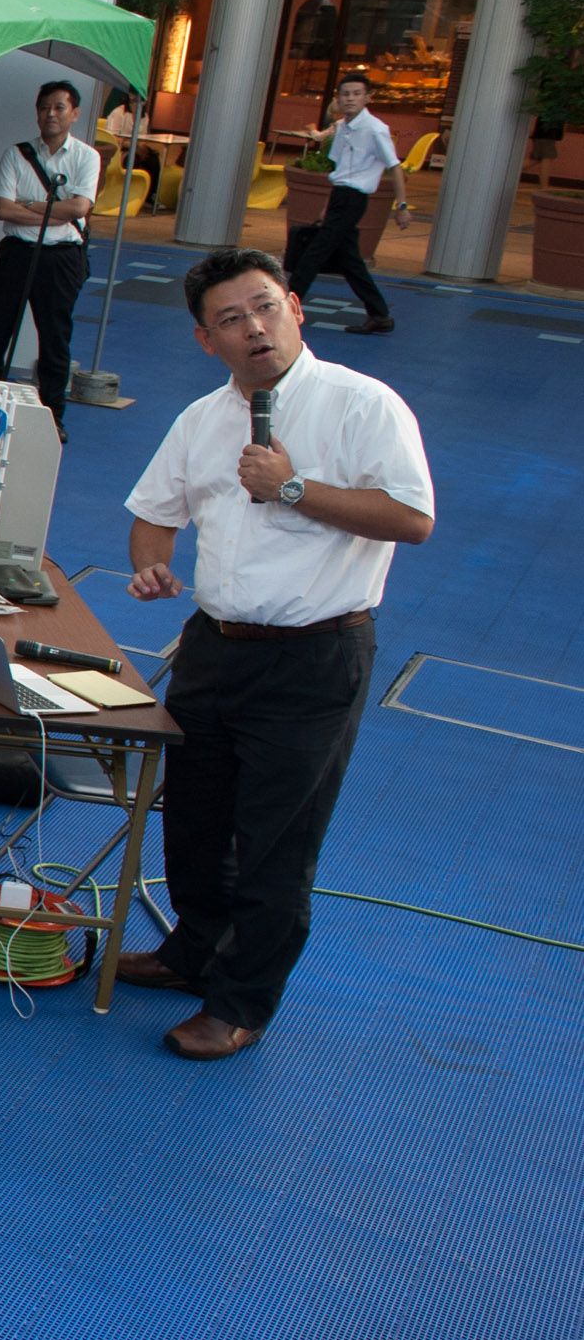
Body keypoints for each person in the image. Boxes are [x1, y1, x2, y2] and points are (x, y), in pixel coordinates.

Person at [119, 247, 433, 1060]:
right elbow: (154, 513)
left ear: (295, 307)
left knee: (276, 843)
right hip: (213, 648)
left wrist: (293, 488)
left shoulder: (364, 405)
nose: (254, 328)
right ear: (206, 340)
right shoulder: (201, 420)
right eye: (231, 319)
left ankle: (240, 1003)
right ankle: (193, 951)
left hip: (314, 658)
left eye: (264, 306)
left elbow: (412, 518)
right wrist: (150, 563)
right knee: (194, 822)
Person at [0, 78, 100, 434]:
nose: (50, 114)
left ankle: (53, 415)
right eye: (44, 108)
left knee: (55, 337)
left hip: (61, 258)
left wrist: (31, 205)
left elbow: (79, 208)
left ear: (75, 113)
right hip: (17, 253)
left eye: (59, 107)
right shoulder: (17, 154)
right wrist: (54, 210)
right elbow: (4, 209)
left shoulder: (87, 156)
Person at [286, 70, 405, 335]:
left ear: (367, 98)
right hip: (340, 196)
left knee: (315, 252)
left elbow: (394, 166)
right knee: (349, 260)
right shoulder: (341, 128)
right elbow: (339, 170)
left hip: (354, 199)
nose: (350, 99)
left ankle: (287, 307)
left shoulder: (376, 129)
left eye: (356, 94)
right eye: (346, 94)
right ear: (338, 98)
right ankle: (380, 314)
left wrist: (402, 206)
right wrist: (327, 204)